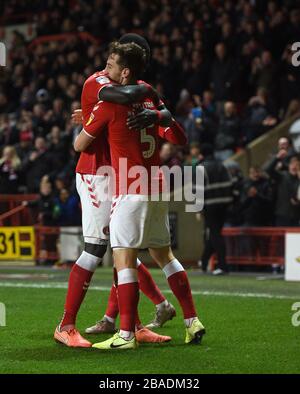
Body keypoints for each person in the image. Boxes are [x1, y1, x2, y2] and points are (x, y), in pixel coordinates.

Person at [75, 41, 205, 350]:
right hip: (158, 185)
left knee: (124, 260)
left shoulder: (110, 104)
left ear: (125, 71)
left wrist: (92, 122)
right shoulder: (150, 104)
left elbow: (80, 145)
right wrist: (162, 117)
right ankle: (192, 320)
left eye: (111, 65)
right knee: (166, 256)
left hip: (129, 189)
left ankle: (126, 335)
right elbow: (180, 138)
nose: (106, 70)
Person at [54, 35, 176, 348]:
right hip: (96, 174)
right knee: (96, 248)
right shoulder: (99, 82)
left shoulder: (123, 84)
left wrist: (156, 111)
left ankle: (134, 324)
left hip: (120, 174)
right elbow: (126, 94)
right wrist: (152, 101)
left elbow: (143, 103)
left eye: (112, 61)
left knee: (125, 247)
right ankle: (66, 325)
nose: (107, 65)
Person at [198, 144, 233, 275]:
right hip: (224, 204)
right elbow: (231, 183)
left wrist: (198, 208)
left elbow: (198, 190)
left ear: (201, 155)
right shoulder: (222, 165)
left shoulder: (201, 167)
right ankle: (204, 260)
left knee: (215, 235)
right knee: (215, 233)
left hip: (210, 205)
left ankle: (223, 266)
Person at [265, 155, 300, 226]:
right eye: (292, 164)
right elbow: (268, 170)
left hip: (297, 216)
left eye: (297, 165)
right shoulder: (282, 176)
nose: (294, 166)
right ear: (289, 166)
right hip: (282, 216)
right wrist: (277, 157)